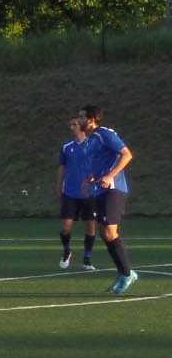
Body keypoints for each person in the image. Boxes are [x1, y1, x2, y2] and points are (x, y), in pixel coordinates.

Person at [79, 105, 137, 294]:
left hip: (114, 189)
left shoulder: (104, 133)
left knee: (110, 232)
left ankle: (127, 274)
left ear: (91, 119)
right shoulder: (90, 139)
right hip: (100, 190)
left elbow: (127, 155)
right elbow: (100, 163)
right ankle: (123, 273)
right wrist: (90, 178)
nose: (79, 120)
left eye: (81, 117)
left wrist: (110, 175)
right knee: (105, 233)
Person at [56, 116, 101, 272]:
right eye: (70, 125)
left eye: (74, 124)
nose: (71, 127)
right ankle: (66, 251)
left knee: (90, 227)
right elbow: (62, 166)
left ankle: (87, 259)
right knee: (65, 227)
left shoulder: (94, 144)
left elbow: (100, 164)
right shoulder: (66, 146)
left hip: (90, 192)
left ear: (81, 125)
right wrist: (59, 186)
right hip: (70, 192)